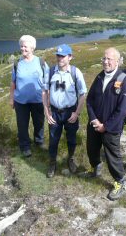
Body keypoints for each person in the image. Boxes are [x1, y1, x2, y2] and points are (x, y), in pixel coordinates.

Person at [86, 47, 126, 201]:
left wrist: (105, 126)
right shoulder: (100, 76)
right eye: (104, 58)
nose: (105, 62)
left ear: (118, 61)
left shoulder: (124, 81)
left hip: (111, 128)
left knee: (112, 156)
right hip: (94, 124)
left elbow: (122, 110)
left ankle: (119, 182)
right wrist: (94, 120)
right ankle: (96, 168)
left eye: (109, 59)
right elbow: (89, 100)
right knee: (92, 149)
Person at [43, 44, 87, 178]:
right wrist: (47, 111)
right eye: (58, 55)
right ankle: (52, 162)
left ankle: (71, 158)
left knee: (72, 138)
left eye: (63, 56)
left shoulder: (75, 72)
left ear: (70, 57)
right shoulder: (50, 72)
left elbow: (83, 93)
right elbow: (44, 92)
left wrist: (77, 113)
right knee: (53, 139)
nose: (60, 58)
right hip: (54, 112)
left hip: (70, 112)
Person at [10, 35, 49, 157]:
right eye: (21, 46)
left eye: (25, 46)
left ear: (32, 48)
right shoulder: (17, 64)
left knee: (39, 122)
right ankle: (25, 146)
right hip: (21, 101)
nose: (22, 48)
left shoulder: (41, 62)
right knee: (22, 125)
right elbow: (13, 83)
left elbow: (47, 81)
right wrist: (11, 99)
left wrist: (48, 99)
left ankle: (39, 141)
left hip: (38, 100)